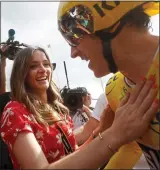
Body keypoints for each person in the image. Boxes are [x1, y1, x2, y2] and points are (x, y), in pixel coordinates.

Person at [0, 47, 158, 169]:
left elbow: (75, 156)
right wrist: (115, 133)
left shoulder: (58, 110)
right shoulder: (15, 111)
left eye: (46, 64)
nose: (43, 69)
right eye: (33, 66)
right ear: (21, 74)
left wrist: (101, 131)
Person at [57, 1, 159, 169]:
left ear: (111, 23)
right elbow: (129, 149)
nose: (73, 53)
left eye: (73, 36)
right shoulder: (114, 88)